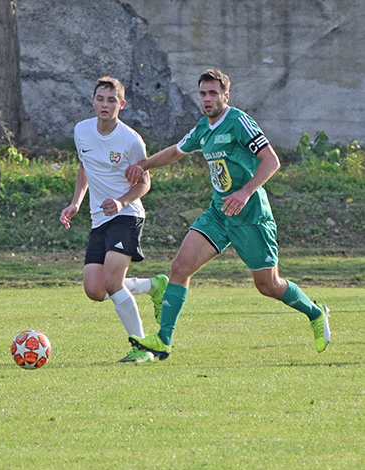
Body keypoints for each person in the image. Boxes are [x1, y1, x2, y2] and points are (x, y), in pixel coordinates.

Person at [124, 69, 330, 360]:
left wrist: (245, 192)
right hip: (219, 213)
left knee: (268, 285)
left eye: (213, 93)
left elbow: (271, 161)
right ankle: (163, 340)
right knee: (180, 267)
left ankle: (315, 312)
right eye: (203, 94)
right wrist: (144, 165)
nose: (207, 99)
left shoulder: (238, 122)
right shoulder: (203, 128)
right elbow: (176, 152)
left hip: (250, 215)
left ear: (225, 96)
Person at [60, 76, 168, 364]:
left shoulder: (131, 140)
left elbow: (145, 184)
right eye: (100, 99)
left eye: (111, 100)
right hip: (99, 220)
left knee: (112, 281)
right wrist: (76, 203)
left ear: (121, 104)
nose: (105, 105)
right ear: (93, 101)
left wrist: (121, 201)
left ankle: (142, 348)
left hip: (127, 215)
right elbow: (85, 167)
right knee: (95, 290)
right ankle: (153, 286)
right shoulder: (82, 130)